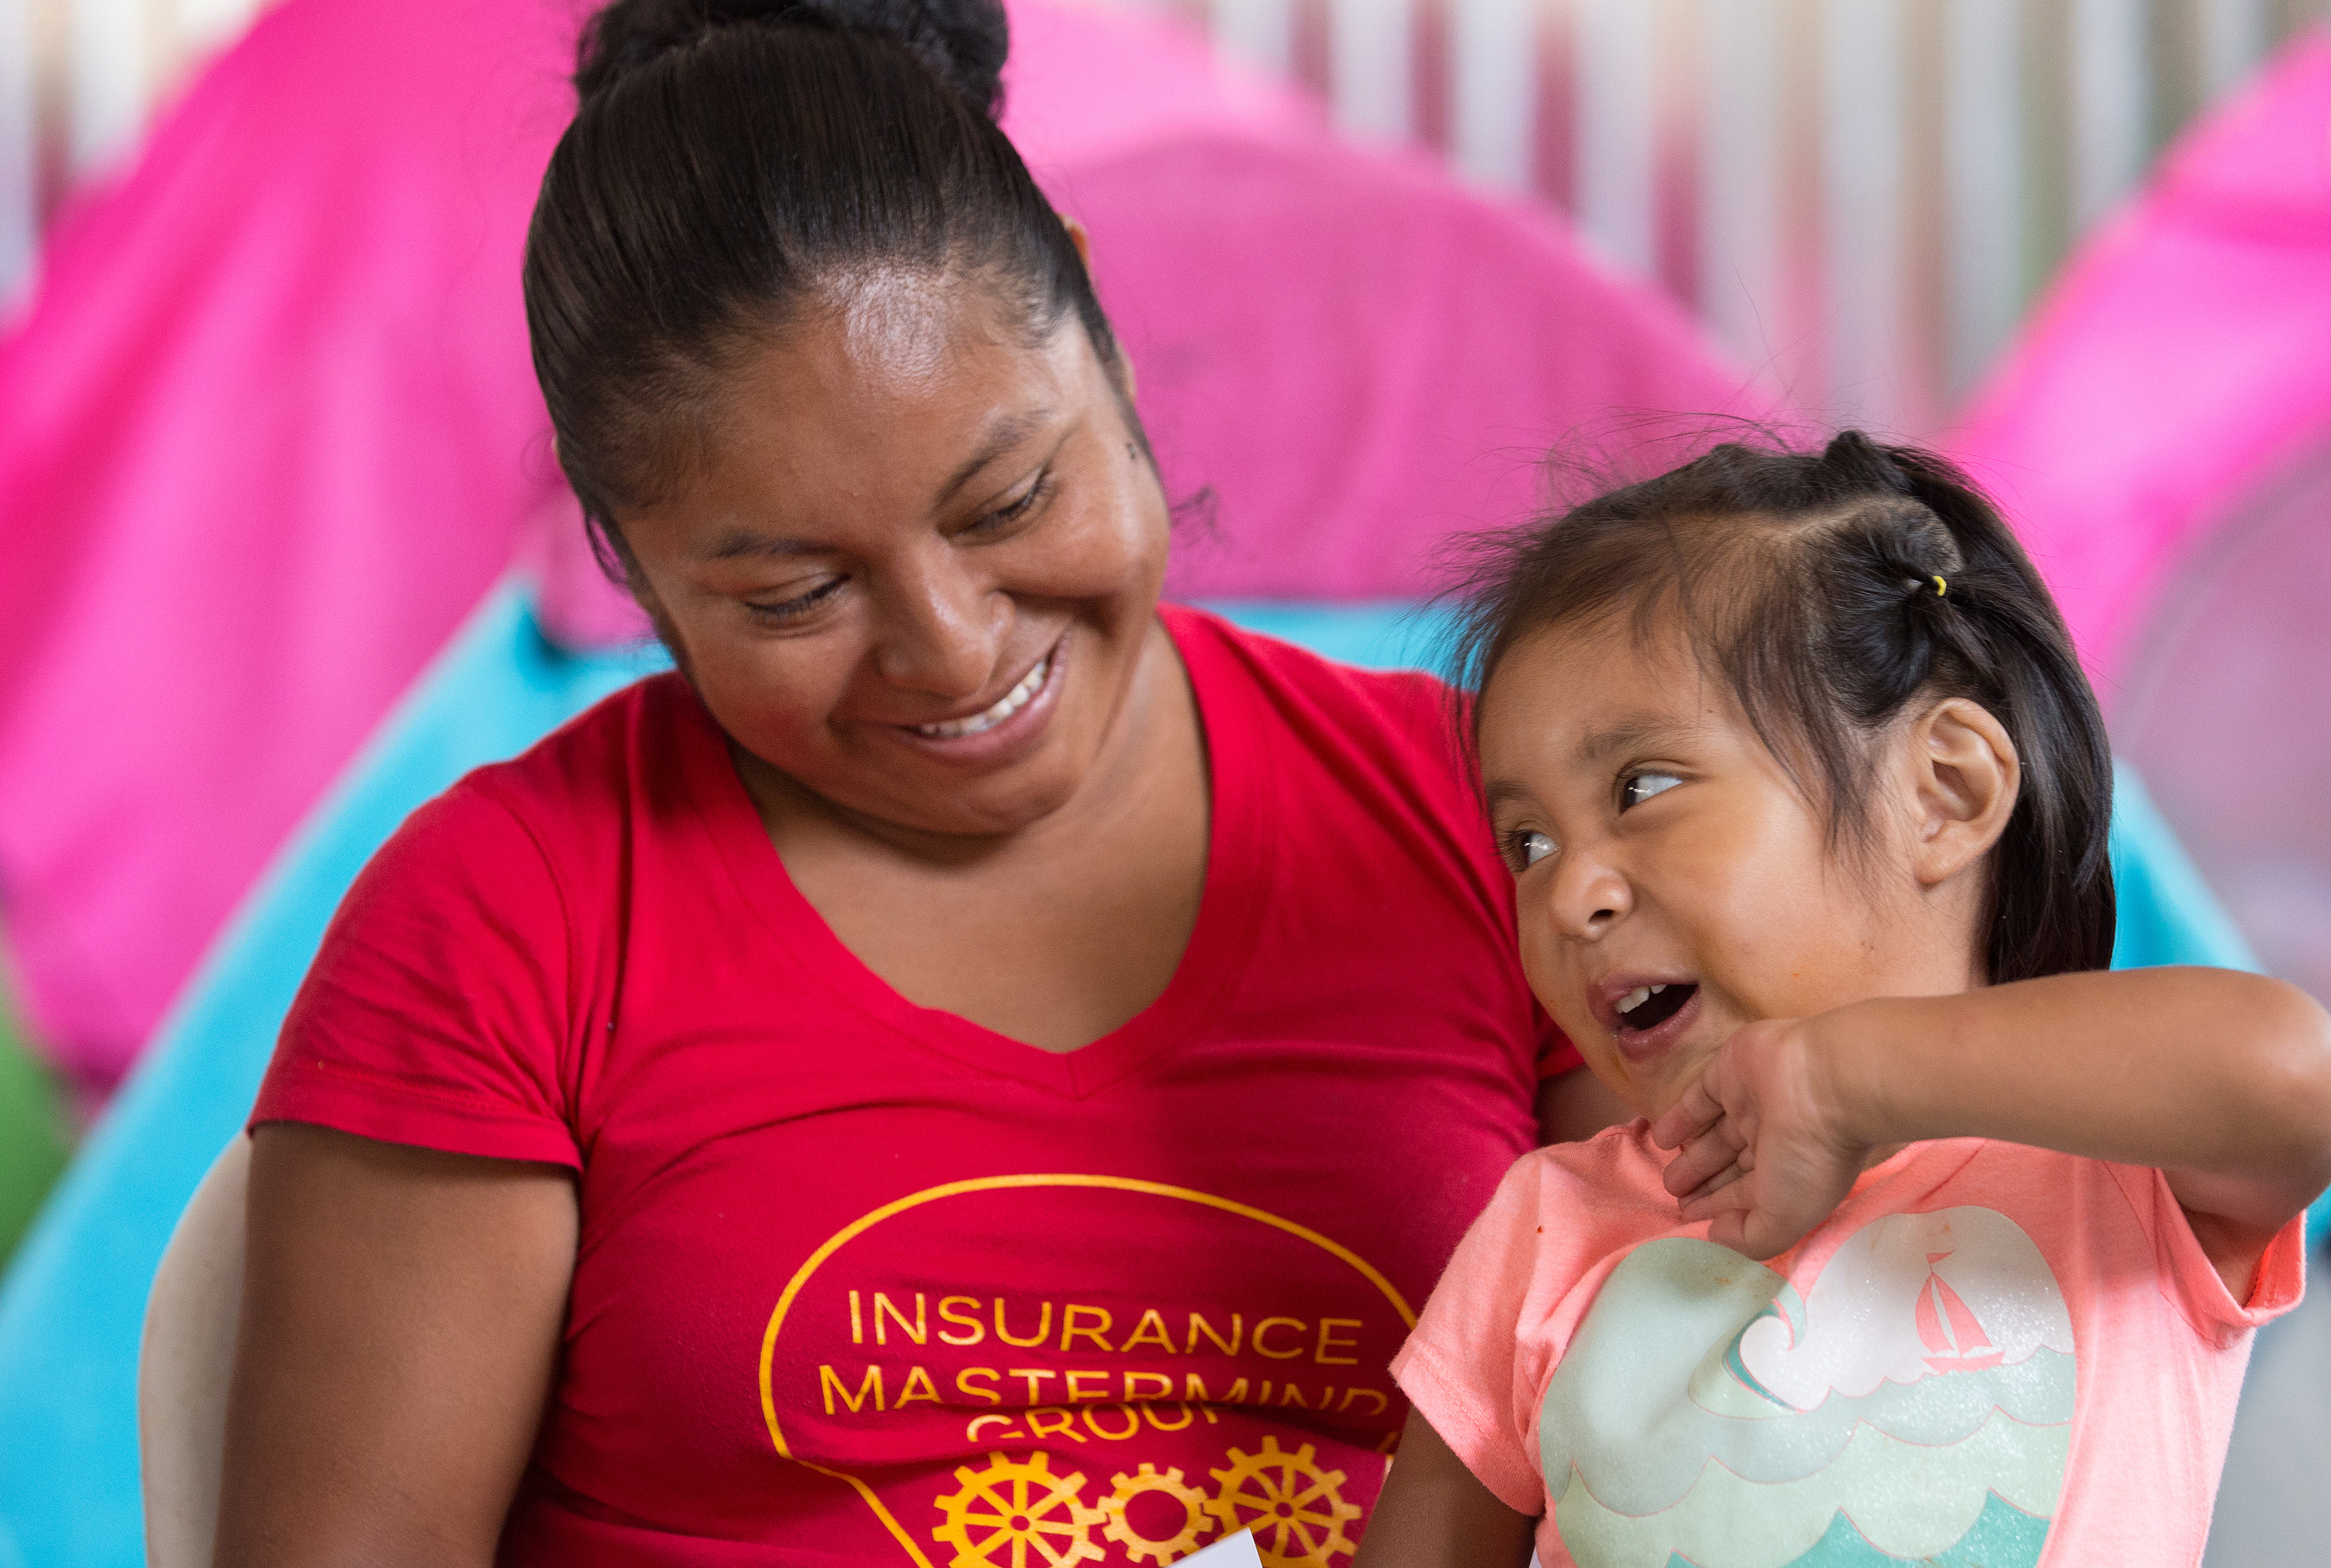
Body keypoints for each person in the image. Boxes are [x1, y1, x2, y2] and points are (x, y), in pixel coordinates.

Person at [212, 0, 1632, 1562]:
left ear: (1092, 310)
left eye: (1011, 495)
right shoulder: (508, 919)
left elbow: (1719, 1418)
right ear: (625, 557)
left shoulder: (1487, 809)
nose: (951, 652)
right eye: (795, 596)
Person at [1357, 434, 2331, 1567]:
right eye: (1526, 840)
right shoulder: (1546, 1230)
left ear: (1946, 791)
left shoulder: (2109, 1170)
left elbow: (2294, 1075)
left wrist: (1841, 1075)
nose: (1568, 891)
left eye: (1645, 786)